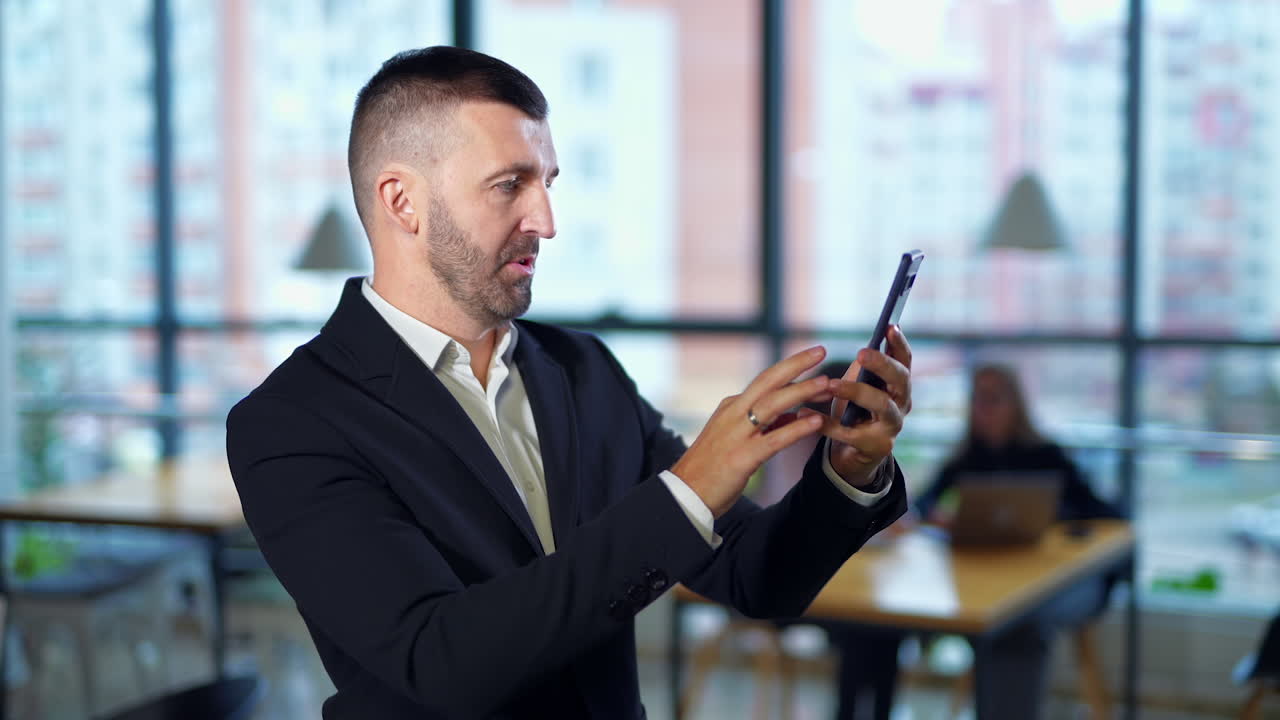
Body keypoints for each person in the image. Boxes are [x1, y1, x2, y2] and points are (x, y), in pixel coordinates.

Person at [226, 46, 916, 719]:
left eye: (547, 184)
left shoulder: (584, 373)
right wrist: (686, 495)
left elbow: (758, 576)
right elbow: (444, 663)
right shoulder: (291, 424)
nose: (546, 223)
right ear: (403, 202)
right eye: (508, 186)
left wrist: (850, 471)